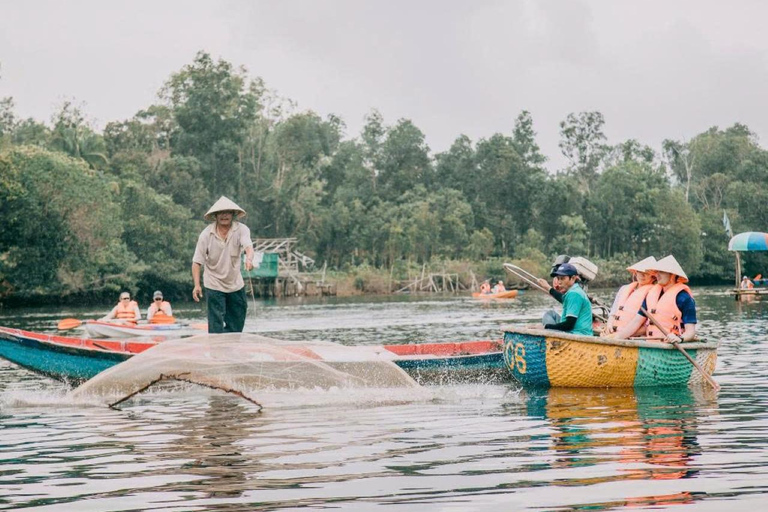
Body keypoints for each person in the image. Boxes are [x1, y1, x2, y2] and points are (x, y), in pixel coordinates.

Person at [192, 196, 254, 333]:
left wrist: (249, 259)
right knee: (216, 326)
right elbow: (197, 262)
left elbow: (248, 246)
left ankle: (230, 351)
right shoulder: (206, 234)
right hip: (213, 283)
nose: (224, 215)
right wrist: (197, 285)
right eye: (221, 212)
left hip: (235, 283)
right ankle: (216, 352)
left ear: (233, 214)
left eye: (227, 212)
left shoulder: (241, 230)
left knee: (237, 324)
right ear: (215, 216)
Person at [612, 255, 696, 343]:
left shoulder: (684, 298)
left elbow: (690, 332)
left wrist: (680, 338)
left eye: (661, 272)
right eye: (657, 272)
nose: (657, 275)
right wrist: (617, 338)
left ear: (672, 275)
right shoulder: (651, 294)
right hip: (651, 343)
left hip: (672, 344)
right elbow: (636, 322)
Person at [604, 257, 657, 337]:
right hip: (615, 332)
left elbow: (648, 326)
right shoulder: (624, 289)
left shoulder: (653, 293)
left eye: (647, 273)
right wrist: (609, 326)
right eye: (640, 272)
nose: (642, 275)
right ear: (636, 273)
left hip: (636, 336)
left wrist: (623, 335)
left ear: (653, 277)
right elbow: (613, 313)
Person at [538, 263, 594, 336]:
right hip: (574, 330)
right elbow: (562, 299)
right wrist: (548, 287)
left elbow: (568, 325)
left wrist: (545, 327)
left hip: (577, 334)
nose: (559, 282)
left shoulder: (574, 294)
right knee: (550, 314)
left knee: (546, 322)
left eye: (563, 278)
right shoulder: (575, 290)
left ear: (573, 278)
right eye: (558, 278)